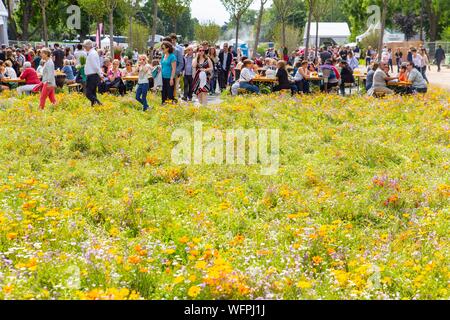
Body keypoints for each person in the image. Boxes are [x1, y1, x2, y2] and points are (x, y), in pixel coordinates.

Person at [83, 40, 102, 106]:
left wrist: (100, 74)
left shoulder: (92, 53)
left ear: (89, 46)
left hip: (92, 76)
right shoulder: (92, 53)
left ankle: (99, 104)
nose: (84, 48)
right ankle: (94, 107)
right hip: (93, 75)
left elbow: (95, 66)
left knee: (88, 94)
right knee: (93, 93)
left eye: (85, 46)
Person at [170, 33, 185, 100]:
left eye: (174, 39)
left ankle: (175, 99)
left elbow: (181, 61)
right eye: (171, 40)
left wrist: (177, 71)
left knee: (176, 86)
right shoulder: (167, 48)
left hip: (176, 71)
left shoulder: (180, 48)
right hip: (168, 71)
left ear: (176, 40)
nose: (173, 41)